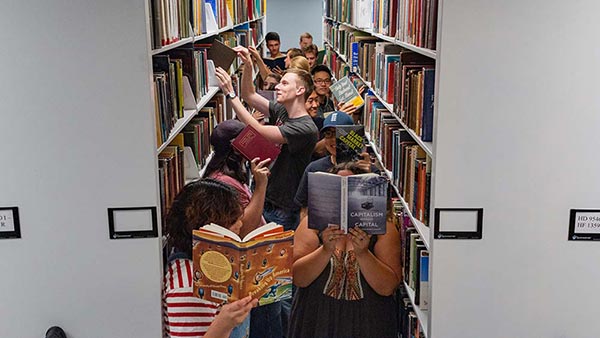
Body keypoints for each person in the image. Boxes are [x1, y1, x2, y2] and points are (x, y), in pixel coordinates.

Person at [215, 47, 318, 338]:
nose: (277, 86)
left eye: (284, 83)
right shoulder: (284, 112)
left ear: (300, 90)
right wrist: (247, 65)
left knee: (275, 283)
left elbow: (260, 132)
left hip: (283, 210)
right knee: (264, 280)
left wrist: (230, 95)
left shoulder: (305, 128)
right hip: (268, 201)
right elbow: (250, 94)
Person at [288, 162, 401, 338]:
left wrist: (363, 254)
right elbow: (298, 278)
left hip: (368, 320)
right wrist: (325, 250)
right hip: (316, 316)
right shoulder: (311, 225)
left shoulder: (383, 231)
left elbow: (387, 287)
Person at [163, 179, 259, 338]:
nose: (240, 225)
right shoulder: (189, 285)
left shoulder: (205, 263)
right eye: (232, 221)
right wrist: (224, 324)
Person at [295, 111, 378, 218]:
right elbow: (304, 209)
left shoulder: (371, 170)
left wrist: (369, 177)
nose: (334, 140)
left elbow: (378, 212)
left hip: (359, 229)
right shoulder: (314, 168)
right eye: (328, 134)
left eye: (340, 134)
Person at [203, 119, 271, 238]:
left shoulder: (235, 168)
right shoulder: (224, 181)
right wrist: (261, 185)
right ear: (236, 147)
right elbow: (245, 228)